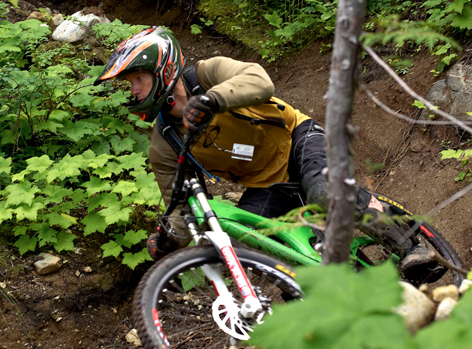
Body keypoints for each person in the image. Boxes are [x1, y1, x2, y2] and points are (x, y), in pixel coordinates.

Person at [94, 26, 443, 283]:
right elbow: (182, 206)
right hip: (266, 185)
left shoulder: (207, 73)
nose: (134, 90)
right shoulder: (164, 141)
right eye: (131, 84)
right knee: (251, 245)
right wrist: (171, 237)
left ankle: (412, 246)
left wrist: (214, 99)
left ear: (162, 69)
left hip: (298, 139)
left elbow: (260, 82)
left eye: (137, 79)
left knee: (324, 192)